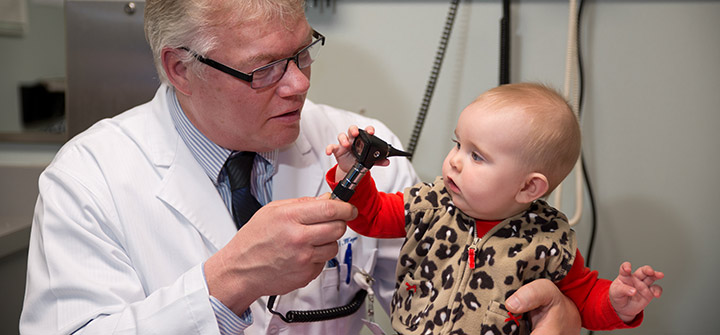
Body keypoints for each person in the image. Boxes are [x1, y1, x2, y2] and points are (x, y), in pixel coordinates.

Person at [19, 0, 583, 333]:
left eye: (302, 51)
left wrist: (552, 310)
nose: (300, 83)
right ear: (180, 68)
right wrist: (226, 282)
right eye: (264, 68)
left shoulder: (367, 158)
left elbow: (443, 296)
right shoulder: (88, 179)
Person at [326, 83, 664, 334]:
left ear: (529, 187)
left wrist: (617, 302)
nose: (455, 161)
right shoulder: (432, 203)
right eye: (457, 144)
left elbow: (585, 300)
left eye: (477, 155)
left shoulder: (548, 240)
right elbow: (371, 215)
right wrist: (350, 172)